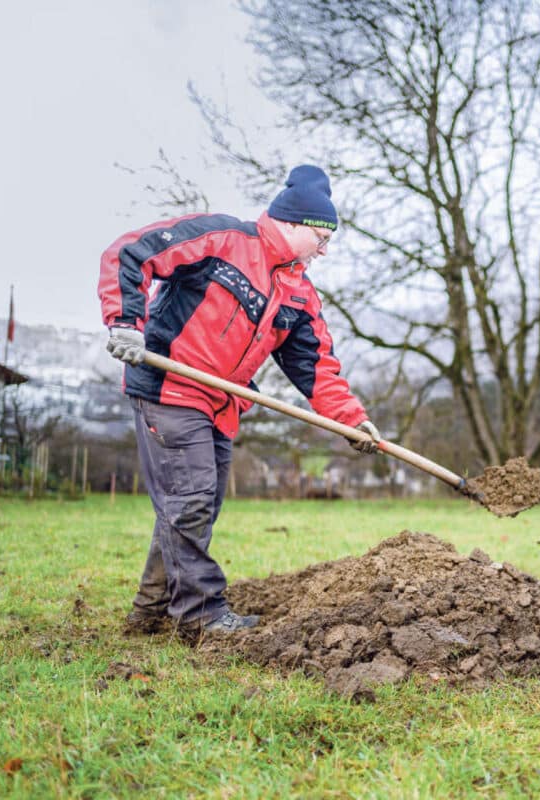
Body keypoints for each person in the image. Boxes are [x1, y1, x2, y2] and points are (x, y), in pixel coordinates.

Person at [97, 164, 382, 636]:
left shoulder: (300, 295)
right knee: (189, 501)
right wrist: (126, 321)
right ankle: (202, 616)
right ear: (291, 224)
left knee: (195, 507)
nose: (325, 249)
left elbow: (317, 369)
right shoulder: (222, 239)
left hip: (221, 406)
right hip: (169, 388)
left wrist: (352, 420)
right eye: (320, 237)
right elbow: (130, 253)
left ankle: (150, 610)